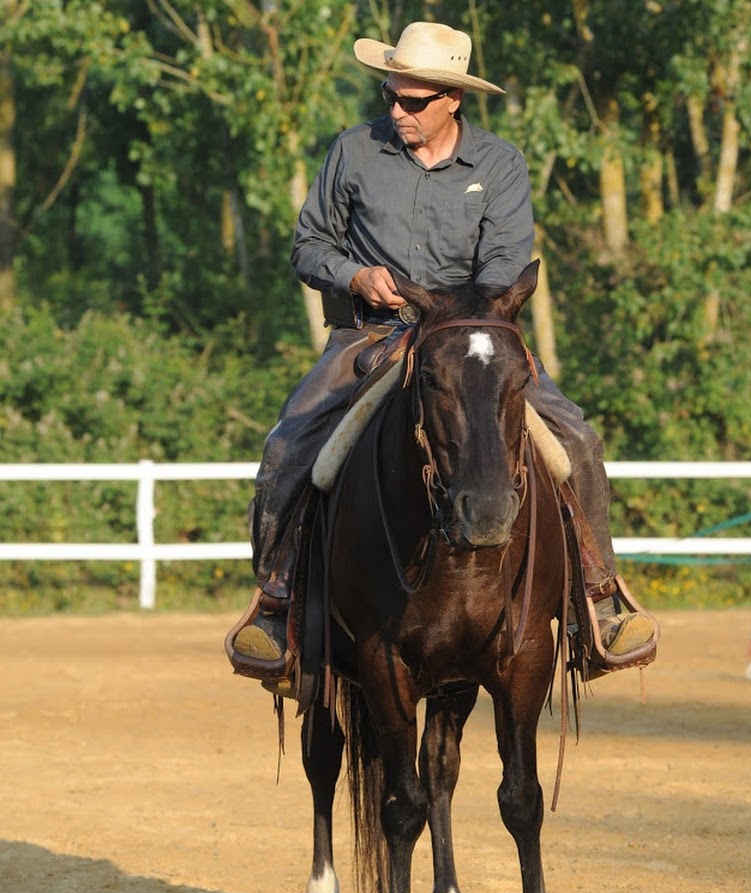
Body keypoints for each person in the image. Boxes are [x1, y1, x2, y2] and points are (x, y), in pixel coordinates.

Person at [225, 21, 657, 688]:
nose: (396, 110)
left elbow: (507, 268)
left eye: (414, 101)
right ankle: (278, 607)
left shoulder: (500, 165)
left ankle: (596, 602)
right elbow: (309, 244)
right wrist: (354, 276)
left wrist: (452, 320)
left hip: (469, 340)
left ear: (453, 99)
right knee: (289, 443)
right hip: (371, 336)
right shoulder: (353, 152)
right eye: (393, 96)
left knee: (577, 439)